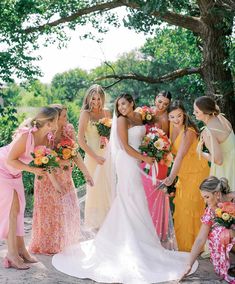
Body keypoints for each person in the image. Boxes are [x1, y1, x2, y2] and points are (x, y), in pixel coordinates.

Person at [52, 94, 198, 283]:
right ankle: (127, 240)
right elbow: (124, 146)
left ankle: (142, 239)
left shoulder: (138, 117)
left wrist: (152, 148)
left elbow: (148, 135)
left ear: (131, 103)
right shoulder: (121, 120)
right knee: (128, 196)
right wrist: (144, 158)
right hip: (128, 161)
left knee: (138, 198)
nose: (121, 108)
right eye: (118, 105)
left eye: (123, 104)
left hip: (138, 160)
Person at [29, 104, 93, 255]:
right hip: (47, 177)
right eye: (63, 116)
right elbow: (43, 158)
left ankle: (65, 242)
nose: (66, 119)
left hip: (64, 176)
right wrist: (59, 166)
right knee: (49, 211)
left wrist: (86, 173)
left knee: (68, 208)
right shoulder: (45, 132)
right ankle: (49, 245)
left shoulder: (68, 130)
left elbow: (75, 154)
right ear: (55, 118)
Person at [0, 107, 58, 269]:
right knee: (11, 211)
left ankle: (21, 251)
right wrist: (33, 169)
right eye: (56, 120)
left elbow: (44, 157)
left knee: (19, 210)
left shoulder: (46, 137)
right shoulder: (27, 135)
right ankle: (11, 254)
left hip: (15, 173)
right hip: (2, 169)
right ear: (49, 122)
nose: (58, 123)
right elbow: (10, 160)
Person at [164, 100, 210, 252]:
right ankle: (184, 246)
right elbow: (171, 151)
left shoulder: (189, 131)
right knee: (182, 208)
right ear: (168, 117)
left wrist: (171, 178)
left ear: (184, 113)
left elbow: (180, 156)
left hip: (196, 173)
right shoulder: (171, 126)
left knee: (191, 208)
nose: (176, 120)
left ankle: (195, 247)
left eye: (179, 116)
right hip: (183, 174)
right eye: (172, 117)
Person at [180, 176, 235, 283]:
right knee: (219, 232)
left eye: (207, 197)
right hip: (227, 249)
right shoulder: (210, 211)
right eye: (203, 198)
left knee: (227, 233)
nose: (205, 201)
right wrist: (189, 265)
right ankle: (228, 265)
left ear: (217, 194)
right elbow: (201, 239)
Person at [141, 91, 176, 249]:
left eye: (165, 104)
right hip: (145, 158)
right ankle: (144, 228)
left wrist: (159, 151)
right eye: (160, 101)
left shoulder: (166, 118)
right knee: (144, 193)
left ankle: (157, 231)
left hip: (160, 160)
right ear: (155, 98)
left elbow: (168, 141)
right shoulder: (147, 113)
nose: (161, 106)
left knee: (156, 193)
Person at [78, 84, 112, 231]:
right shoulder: (85, 114)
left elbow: (111, 136)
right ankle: (94, 226)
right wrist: (95, 156)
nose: (96, 102)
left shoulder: (107, 113)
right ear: (89, 98)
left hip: (107, 157)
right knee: (94, 190)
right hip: (92, 158)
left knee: (107, 189)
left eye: (99, 99)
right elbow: (80, 139)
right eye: (93, 99)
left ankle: (107, 224)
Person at [194, 96, 235, 190]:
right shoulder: (222, 119)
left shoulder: (208, 132)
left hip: (227, 171)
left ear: (206, 113)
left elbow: (219, 160)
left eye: (197, 111)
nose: (194, 113)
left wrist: (201, 153)